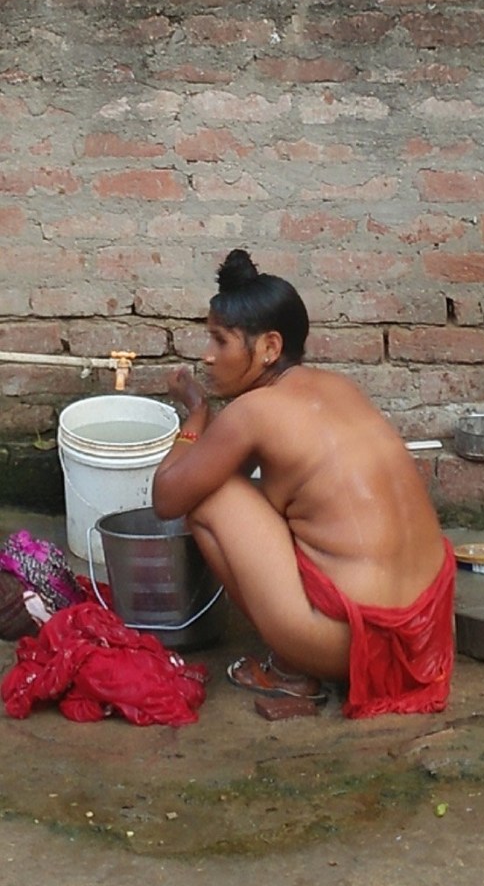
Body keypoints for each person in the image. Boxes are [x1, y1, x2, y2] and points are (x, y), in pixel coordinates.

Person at [152, 250, 455, 719]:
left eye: (220, 341)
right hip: (425, 633)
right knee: (249, 497)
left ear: (269, 347)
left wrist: (194, 416)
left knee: (209, 500)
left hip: (354, 643)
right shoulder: (338, 386)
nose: (206, 356)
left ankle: (293, 668)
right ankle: (302, 651)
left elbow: (168, 497)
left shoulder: (253, 412)